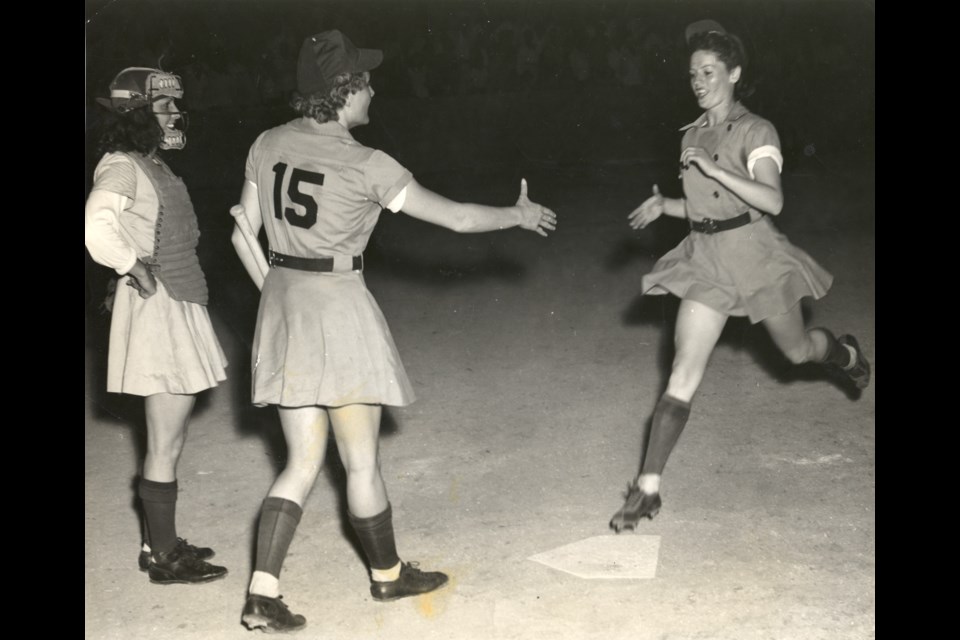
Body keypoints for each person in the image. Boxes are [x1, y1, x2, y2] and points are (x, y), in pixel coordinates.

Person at [231, 30, 557, 633]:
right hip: (339, 310)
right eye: (365, 79)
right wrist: (518, 214)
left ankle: (262, 591)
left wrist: (277, 299)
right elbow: (456, 218)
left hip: (283, 308)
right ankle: (386, 576)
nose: (373, 87)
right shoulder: (367, 163)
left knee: (301, 461)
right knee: (359, 461)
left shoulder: (267, 143)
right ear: (343, 89)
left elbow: (239, 233)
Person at [609, 20, 871, 533]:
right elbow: (709, 205)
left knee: (797, 353)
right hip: (707, 259)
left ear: (734, 73)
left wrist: (714, 168)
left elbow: (770, 199)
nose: (699, 81)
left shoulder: (758, 131)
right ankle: (648, 488)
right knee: (683, 370)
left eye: (709, 71)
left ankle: (846, 354)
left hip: (754, 254)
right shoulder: (692, 133)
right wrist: (667, 204)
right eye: (692, 74)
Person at [84, 68, 230, 582]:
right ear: (138, 112)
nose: (174, 115)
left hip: (175, 298)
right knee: (164, 440)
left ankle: (157, 542)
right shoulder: (122, 165)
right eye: (164, 107)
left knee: (169, 435)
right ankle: (163, 557)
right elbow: (96, 221)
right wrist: (132, 265)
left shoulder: (150, 163)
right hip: (156, 306)